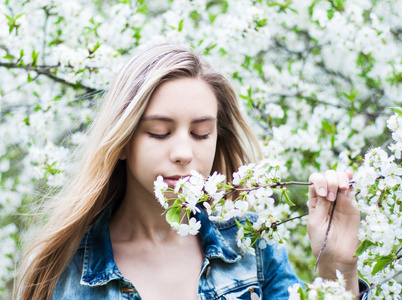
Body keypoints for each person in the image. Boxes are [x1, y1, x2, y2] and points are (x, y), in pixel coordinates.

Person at [16, 44, 367, 300]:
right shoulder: (62, 271)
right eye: (159, 132)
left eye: (201, 133)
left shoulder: (252, 247)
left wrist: (337, 267)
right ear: (122, 141)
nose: (184, 153)